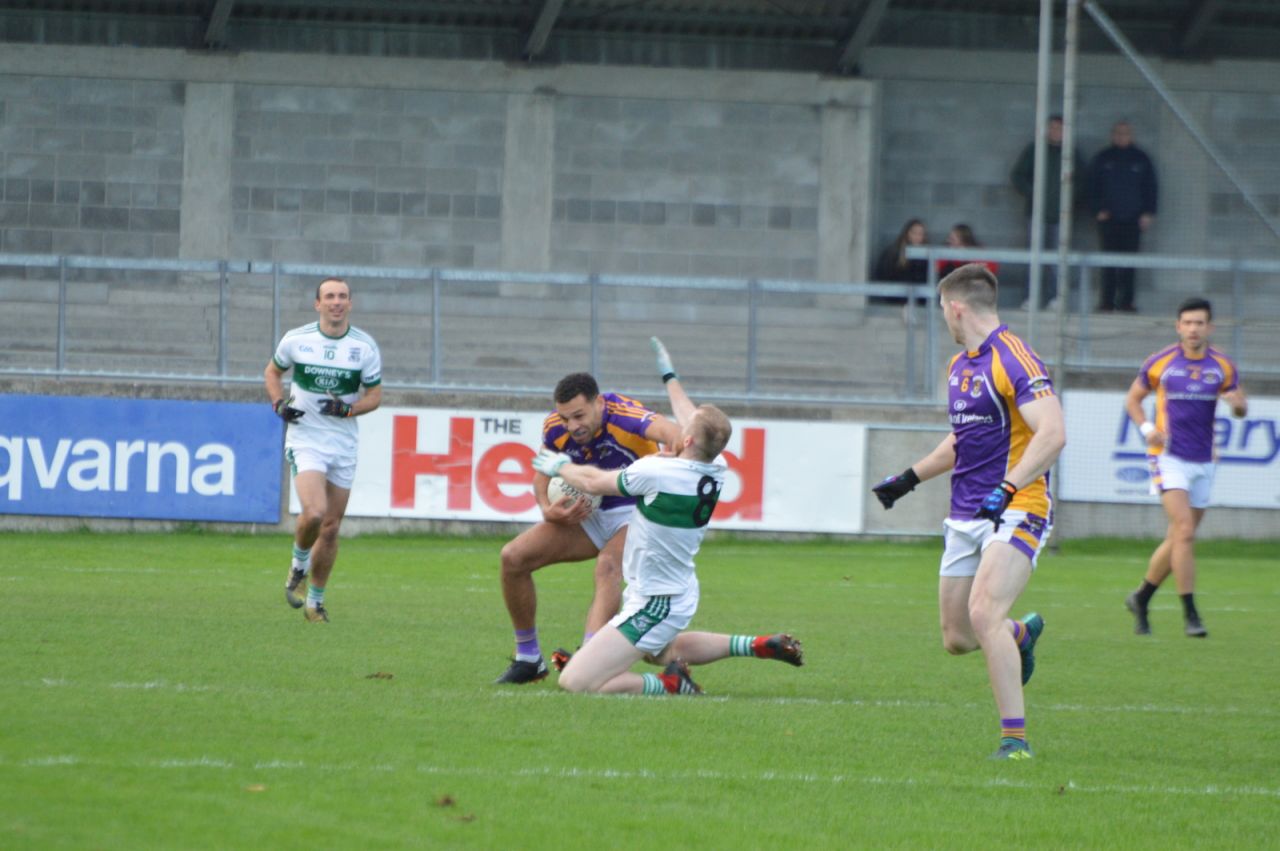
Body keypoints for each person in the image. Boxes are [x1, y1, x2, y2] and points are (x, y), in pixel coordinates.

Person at [531, 338, 804, 697]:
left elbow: (594, 481)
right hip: (674, 588)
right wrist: (669, 375)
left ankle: (667, 685)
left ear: (688, 440)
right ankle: (753, 645)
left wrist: (559, 466)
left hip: (657, 599)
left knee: (576, 682)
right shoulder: (716, 464)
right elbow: (691, 417)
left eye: (686, 427)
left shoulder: (659, 474)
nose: (681, 424)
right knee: (660, 651)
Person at [871, 263, 1066, 760]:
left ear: (956, 306)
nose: (945, 320)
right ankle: (1020, 635)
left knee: (984, 613)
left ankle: (1015, 741)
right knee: (958, 637)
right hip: (965, 512)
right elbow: (963, 440)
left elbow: (1053, 433)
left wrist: (1008, 486)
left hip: (1017, 504)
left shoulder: (1014, 358)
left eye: (943, 311)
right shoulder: (961, 367)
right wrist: (908, 479)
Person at [495, 372, 684, 684]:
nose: (572, 426)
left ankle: (588, 658)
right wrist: (546, 508)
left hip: (638, 509)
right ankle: (529, 659)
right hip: (592, 512)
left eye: (579, 416)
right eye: (566, 417)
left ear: (598, 403)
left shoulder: (625, 415)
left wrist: (672, 451)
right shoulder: (555, 428)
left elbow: (673, 432)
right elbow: (543, 471)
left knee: (608, 566)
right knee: (513, 558)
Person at [1123, 297, 1247, 638]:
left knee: (1179, 536)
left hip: (1205, 459)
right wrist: (1148, 430)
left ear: (1210, 327)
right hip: (1167, 456)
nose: (1194, 329)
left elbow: (1240, 407)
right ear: (1178, 326)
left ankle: (1142, 596)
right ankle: (1191, 613)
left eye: (1200, 323)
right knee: (1185, 531)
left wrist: (1238, 406)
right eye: (1188, 323)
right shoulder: (1160, 362)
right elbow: (1133, 399)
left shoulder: (1222, 365)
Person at [264, 277, 382, 623]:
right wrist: (278, 404)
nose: (336, 302)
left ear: (350, 303)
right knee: (313, 513)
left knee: (330, 526)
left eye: (342, 296)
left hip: (343, 443)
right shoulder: (297, 339)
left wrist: (349, 409)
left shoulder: (364, 347)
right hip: (306, 438)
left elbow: (375, 396)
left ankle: (315, 602)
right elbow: (272, 373)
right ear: (317, 304)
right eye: (329, 296)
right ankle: (298, 566)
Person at [1010, 115, 1086, 310]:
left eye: (1060, 128)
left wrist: (1070, 200)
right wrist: (1033, 193)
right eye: (1052, 128)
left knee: (1057, 260)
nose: (1055, 132)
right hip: (1036, 215)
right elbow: (1017, 176)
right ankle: (1030, 298)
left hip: (1061, 216)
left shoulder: (1072, 153)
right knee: (1033, 258)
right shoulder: (1034, 150)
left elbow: (1082, 182)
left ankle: (1055, 298)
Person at [1089, 120, 1158, 313]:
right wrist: (1098, 210)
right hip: (1109, 220)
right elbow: (1092, 186)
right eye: (1118, 133)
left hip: (1133, 220)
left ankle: (1127, 302)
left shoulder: (1141, 159)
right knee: (1108, 263)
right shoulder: (1103, 158)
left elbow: (1150, 188)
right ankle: (1107, 302)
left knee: (1130, 263)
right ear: (1113, 135)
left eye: (1125, 133)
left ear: (1131, 135)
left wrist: (1148, 213)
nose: (1122, 137)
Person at [872, 218, 929, 305]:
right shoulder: (893, 253)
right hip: (896, 302)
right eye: (914, 233)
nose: (917, 237)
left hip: (919, 303)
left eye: (920, 234)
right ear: (907, 233)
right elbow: (884, 276)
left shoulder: (928, 255)